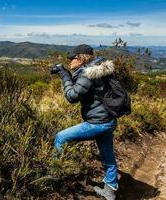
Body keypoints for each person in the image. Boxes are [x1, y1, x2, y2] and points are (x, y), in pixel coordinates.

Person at [51, 44, 118, 200]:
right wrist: (68, 74)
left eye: (72, 58)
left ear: (80, 59)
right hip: (109, 121)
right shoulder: (99, 70)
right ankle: (109, 192)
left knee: (60, 137)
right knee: (108, 158)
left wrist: (64, 75)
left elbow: (72, 96)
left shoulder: (87, 74)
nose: (70, 61)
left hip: (97, 123)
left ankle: (54, 177)